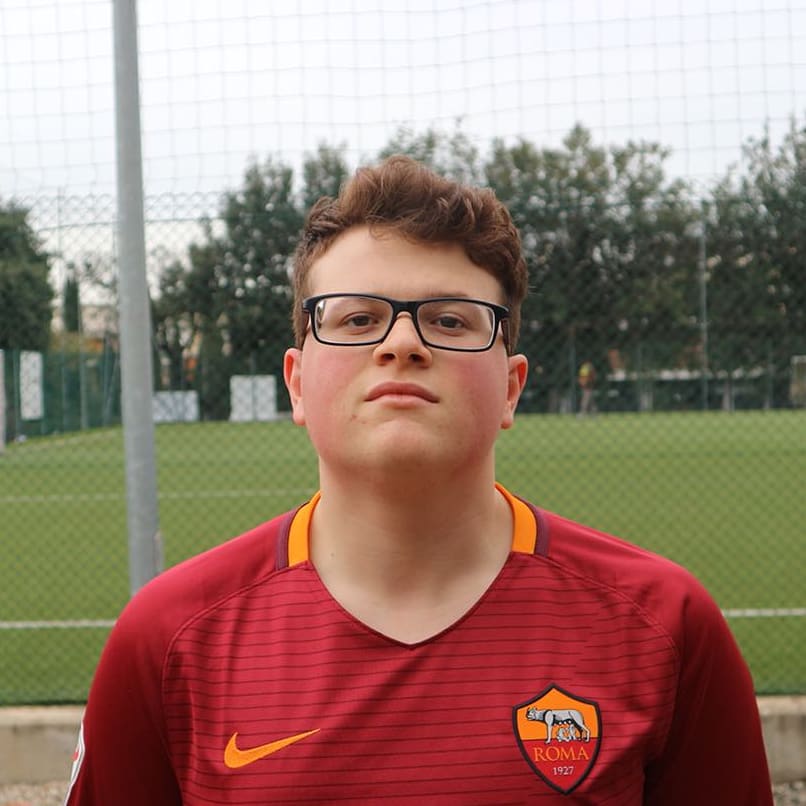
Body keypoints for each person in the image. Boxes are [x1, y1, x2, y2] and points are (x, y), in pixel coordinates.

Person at [64, 156, 772, 805]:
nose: (401, 343)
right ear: (297, 382)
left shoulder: (666, 628)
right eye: (358, 318)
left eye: (450, 320)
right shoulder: (165, 643)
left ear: (511, 388)